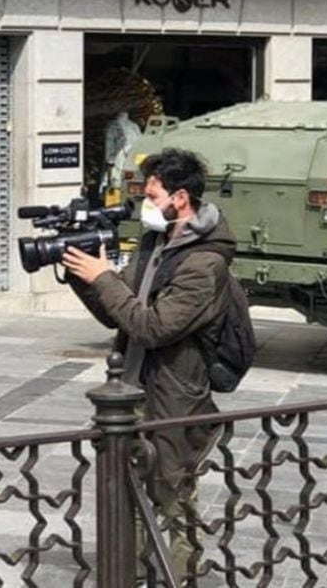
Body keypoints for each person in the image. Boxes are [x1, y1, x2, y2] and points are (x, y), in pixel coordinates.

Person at [62, 148, 235, 577]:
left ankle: (182, 575)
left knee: (173, 494)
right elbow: (121, 313)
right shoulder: (155, 241)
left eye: (153, 195)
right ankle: (131, 574)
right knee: (129, 491)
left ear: (180, 198)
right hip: (133, 390)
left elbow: (154, 327)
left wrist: (103, 277)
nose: (146, 204)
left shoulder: (204, 264)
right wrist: (84, 278)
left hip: (174, 396)